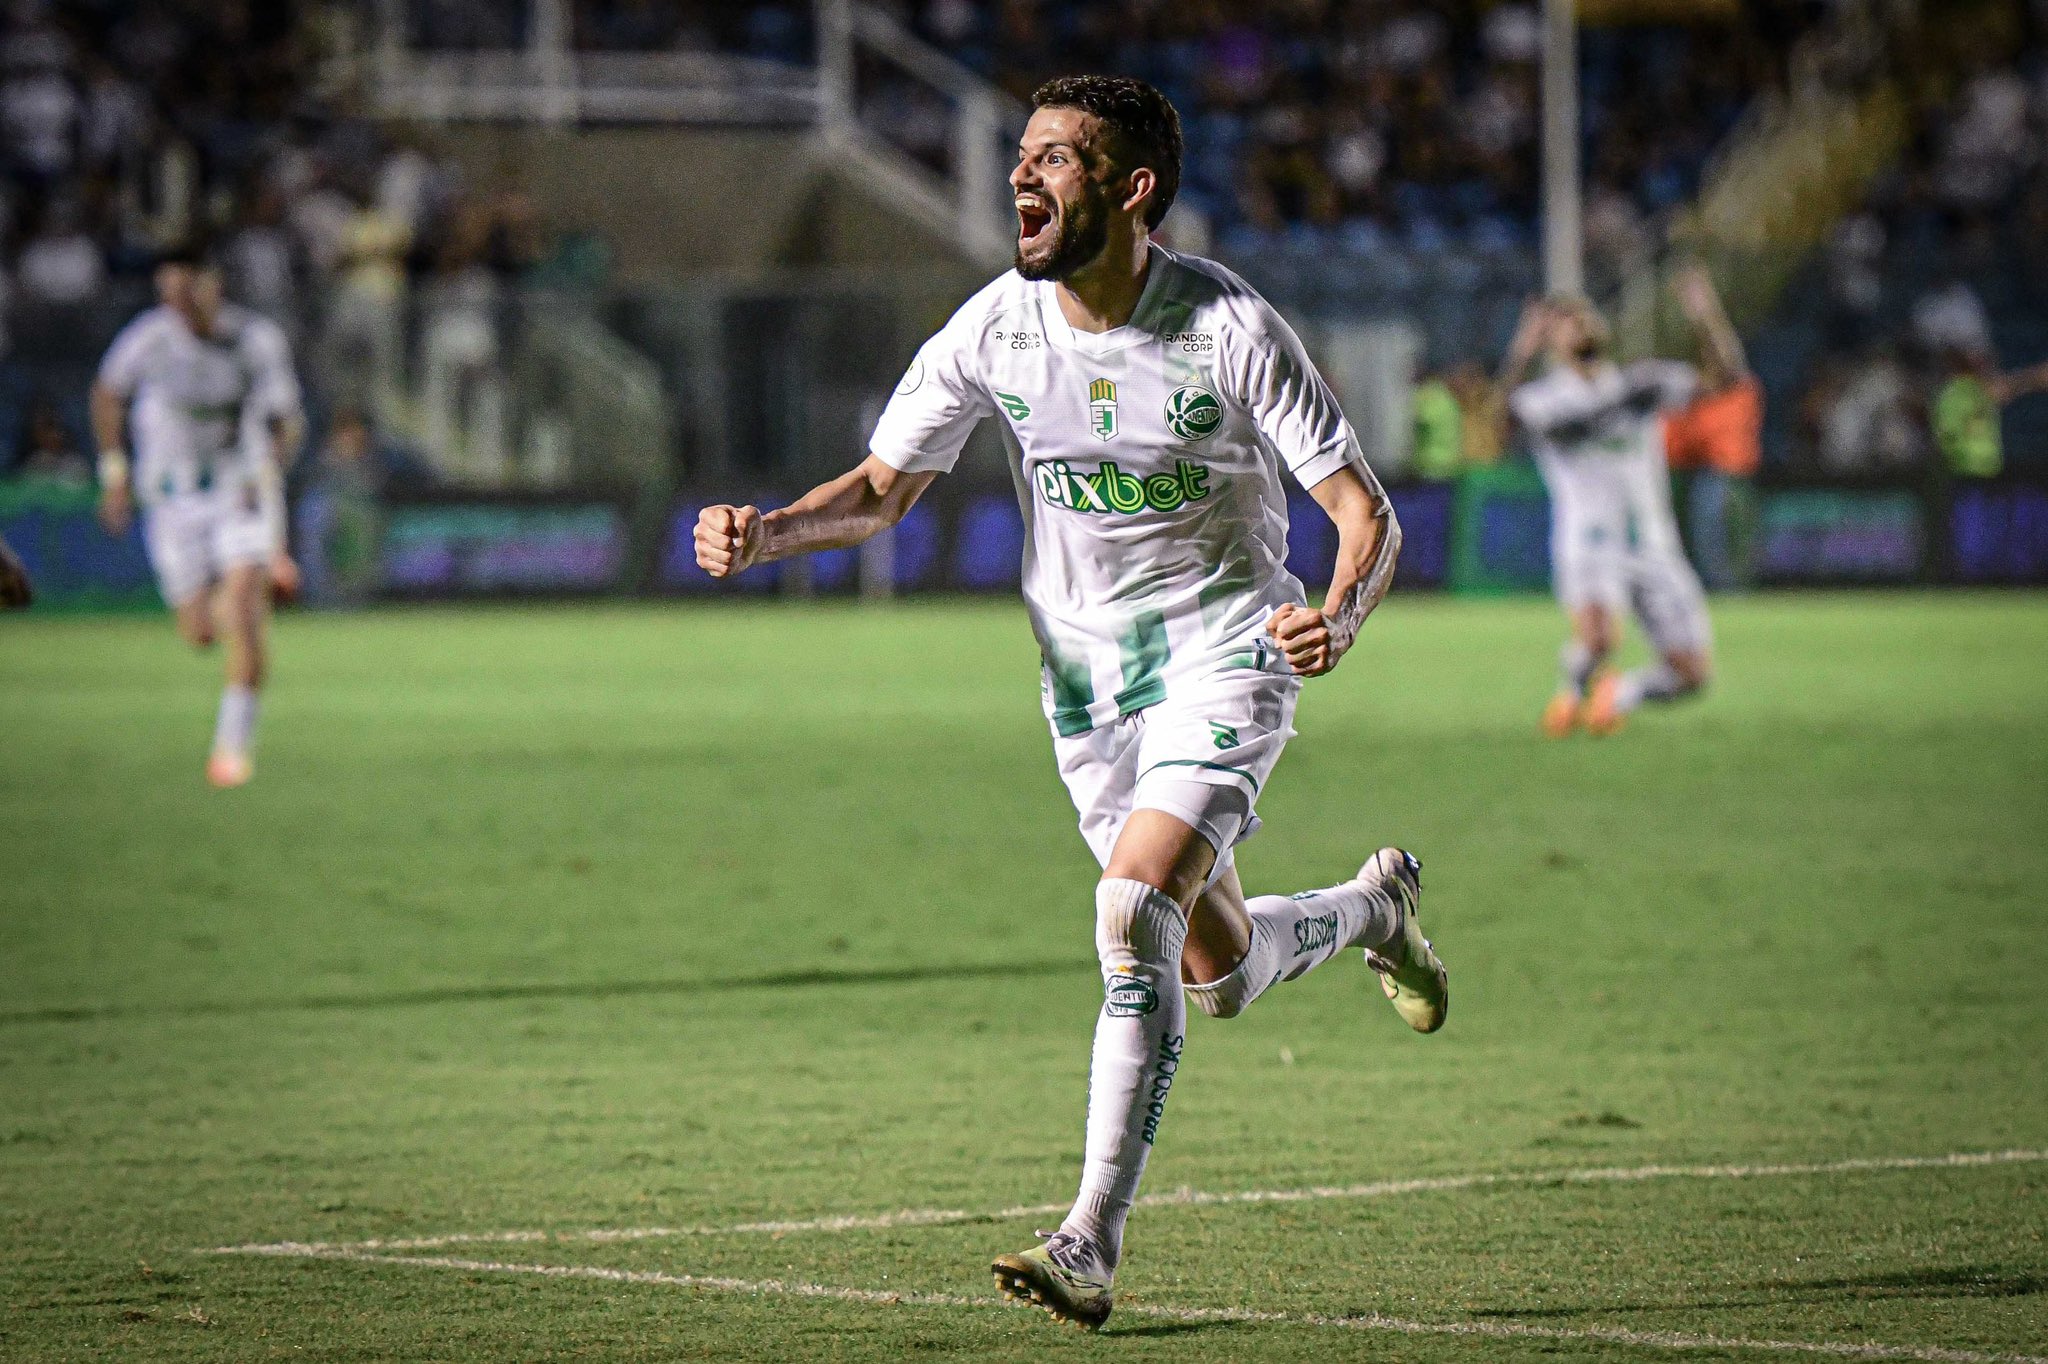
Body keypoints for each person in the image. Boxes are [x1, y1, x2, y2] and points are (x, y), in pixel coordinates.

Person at [692, 76, 1447, 1330]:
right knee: (1212, 969)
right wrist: (763, 531)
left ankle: (1087, 1235)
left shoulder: (1228, 329)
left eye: (1055, 157)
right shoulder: (999, 326)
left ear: (1129, 188)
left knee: (1127, 903)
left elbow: (1362, 510)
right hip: (1088, 693)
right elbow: (885, 486)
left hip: (1224, 654)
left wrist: (1338, 611)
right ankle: (1373, 907)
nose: (1019, 177)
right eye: (1023, 155)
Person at [92, 247, 305, 788]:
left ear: (215, 286)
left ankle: (231, 749)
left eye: (189, 292)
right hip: (172, 497)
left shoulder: (255, 341)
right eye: (170, 295)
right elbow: (107, 394)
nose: (180, 306)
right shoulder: (150, 339)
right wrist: (115, 473)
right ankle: (248, 595)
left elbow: (285, 420)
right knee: (201, 632)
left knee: (243, 611)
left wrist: (272, 465)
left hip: (240, 489)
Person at [1501, 270, 1737, 737]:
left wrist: (1706, 317)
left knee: (1692, 675)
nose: (1580, 325)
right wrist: (1519, 352)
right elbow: (1498, 423)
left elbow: (1726, 380)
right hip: (1590, 542)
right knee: (1601, 639)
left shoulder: (1642, 382)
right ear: (1552, 342)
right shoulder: (1544, 400)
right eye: (1566, 323)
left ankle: (1616, 694)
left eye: (1585, 316)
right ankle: (1573, 689)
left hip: (1655, 544)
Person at [1661, 268, 1762, 590]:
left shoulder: (1737, 387)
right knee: (1707, 551)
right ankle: (1724, 599)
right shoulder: (1699, 395)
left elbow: (1725, 354)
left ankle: (1734, 601)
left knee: (1724, 552)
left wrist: (1706, 313)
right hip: (1699, 476)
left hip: (1727, 478)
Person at [1930, 347, 2048, 479]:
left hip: (1983, 471)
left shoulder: (1963, 391)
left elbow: (2005, 388)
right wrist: (2035, 376)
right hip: (1966, 472)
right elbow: (1946, 433)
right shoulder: (1962, 392)